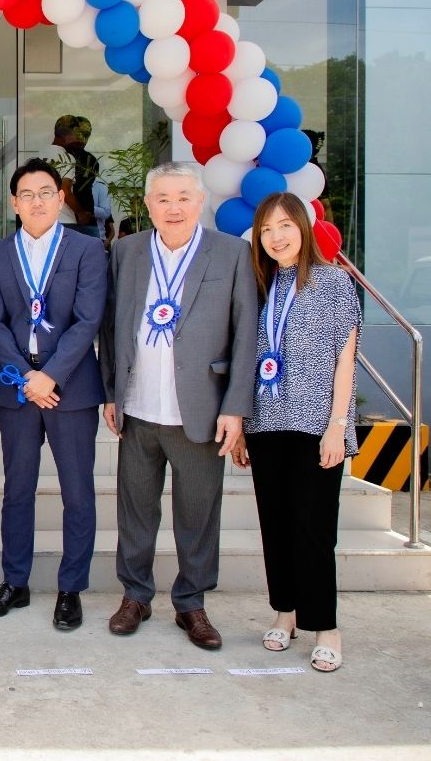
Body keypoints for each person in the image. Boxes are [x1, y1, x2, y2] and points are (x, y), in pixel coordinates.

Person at [99, 161, 257, 649]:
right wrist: (110, 392)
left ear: (200, 201)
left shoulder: (232, 253)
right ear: (148, 205)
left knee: (198, 512)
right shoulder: (125, 252)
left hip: (201, 411)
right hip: (139, 407)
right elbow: (109, 326)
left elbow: (247, 332)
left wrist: (235, 407)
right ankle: (136, 595)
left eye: (183, 197)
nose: (173, 207)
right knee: (136, 510)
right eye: (163, 199)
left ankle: (192, 603)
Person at [232, 192, 359, 673]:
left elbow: (344, 360)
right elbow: (245, 359)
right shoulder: (258, 285)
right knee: (276, 525)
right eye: (266, 230)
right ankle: (285, 612)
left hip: (315, 426)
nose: (276, 237)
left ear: (302, 228)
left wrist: (337, 426)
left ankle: (326, 626)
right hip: (266, 424)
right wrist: (242, 425)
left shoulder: (333, 283)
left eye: (284, 226)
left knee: (314, 529)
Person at [0, 158, 107, 630]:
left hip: (70, 388)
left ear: (60, 197)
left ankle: (71, 587)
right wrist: (25, 376)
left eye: (46, 192)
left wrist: (50, 375)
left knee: (77, 491)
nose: (37, 201)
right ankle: (16, 581)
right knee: (17, 489)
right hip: (16, 389)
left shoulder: (87, 250)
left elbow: (88, 319)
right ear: (14, 203)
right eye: (27, 194)